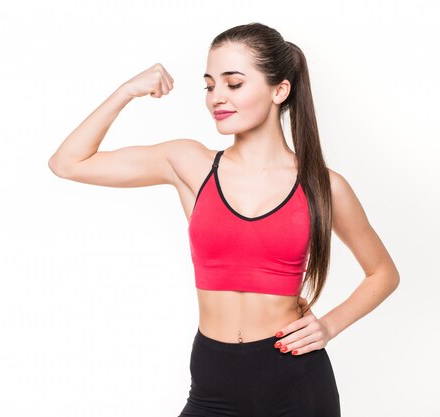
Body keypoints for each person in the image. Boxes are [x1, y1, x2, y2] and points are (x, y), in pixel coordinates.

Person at [48, 22, 400, 417]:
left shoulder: (323, 185)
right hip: (213, 383)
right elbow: (68, 163)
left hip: (296, 382)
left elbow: (383, 273)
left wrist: (330, 326)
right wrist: (126, 91)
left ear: (279, 90)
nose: (217, 97)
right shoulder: (190, 164)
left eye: (233, 84)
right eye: (210, 85)